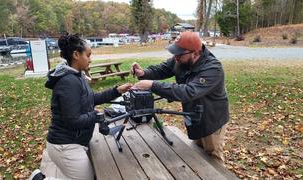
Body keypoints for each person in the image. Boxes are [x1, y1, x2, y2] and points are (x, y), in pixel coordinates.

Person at [29, 34, 132, 180]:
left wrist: (116, 91)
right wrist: (95, 116)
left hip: (75, 141)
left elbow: (91, 99)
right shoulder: (68, 82)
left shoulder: (77, 75)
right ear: (76, 55)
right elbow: (72, 120)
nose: (90, 59)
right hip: (65, 145)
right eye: (88, 55)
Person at [131, 31, 229, 162]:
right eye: (175, 53)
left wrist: (153, 85)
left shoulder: (213, 68)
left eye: (179, 54)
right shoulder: (181, 59)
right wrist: (143, 73)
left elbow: (188, 92)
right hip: (194, 115)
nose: (175, 57)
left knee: (213, 158)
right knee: (198, 155)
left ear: (195, 53)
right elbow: (163, 69)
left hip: (211, 119)